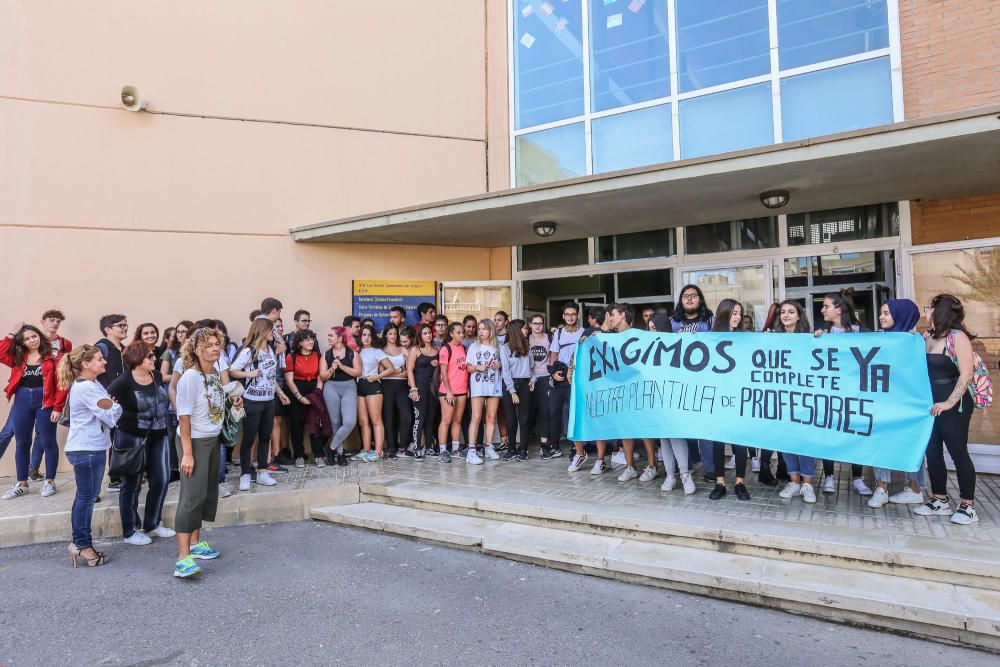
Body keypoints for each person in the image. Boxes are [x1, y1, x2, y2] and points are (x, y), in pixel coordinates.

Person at [173, 327, 237, 578]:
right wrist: (187, 453)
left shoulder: (212, 375)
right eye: (209, 345)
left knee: (206, 494)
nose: (215, 348)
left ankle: (196, 544)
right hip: (195, 442)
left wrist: (235, 401)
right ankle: (182, 558)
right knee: (191, 497)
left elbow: (215, 404)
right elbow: (184, 416)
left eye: (217, 344)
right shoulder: (190, 376)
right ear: (197, 349)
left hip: (212, 440)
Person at [914, 295, 979, 525]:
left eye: (929, 308)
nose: (927, 312)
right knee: (932, 452)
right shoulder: (927, 336)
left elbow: (966, 373)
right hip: (931, 403)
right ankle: (939, 499)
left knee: (958, 452)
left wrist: (949, 403)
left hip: (954, 403)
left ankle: (968, 505)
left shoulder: (958, 337)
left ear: (938, 311)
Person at [59, 345, 121, 567]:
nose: (104, 362)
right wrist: (114, 406)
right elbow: (111, 413)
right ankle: (82, 546)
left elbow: (109, 411)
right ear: (85, 364)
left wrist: (112, 407)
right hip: (86, 449)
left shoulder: (91, 385)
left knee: (85, 497)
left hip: (88, 447)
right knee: (86, 498)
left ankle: (80, 543)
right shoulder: (87, 388)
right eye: (99, 359)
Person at [107, 342, 174, 545]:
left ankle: (152, 524)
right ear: (137, 359)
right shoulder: (122, 383)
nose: (154, 359)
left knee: (161, 479)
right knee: (132, 483)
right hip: (132, 437)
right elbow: (108, 407)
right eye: (150, 356)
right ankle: (130, 530)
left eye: (153, 356)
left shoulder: (157, 376)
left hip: (159, 434)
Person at [868, 300, 927, 509]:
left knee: (911, 444)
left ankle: (915, 489)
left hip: (907, 406)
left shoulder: (915, 342)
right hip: (881, 403)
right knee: (880, 443)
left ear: (901, 315)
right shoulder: (875, 339)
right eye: (881, 313)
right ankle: (881, 488)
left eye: (886, 313)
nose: (881, 317)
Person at [816, 289, 872, 496]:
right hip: (830, 393)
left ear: (838, 309)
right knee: (828, 434)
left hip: (856, 394)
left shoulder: (863, 332)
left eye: (826, 306)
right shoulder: (823, 334)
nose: (822, 310)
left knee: (856, 435)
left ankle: (858, 478)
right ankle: (829, 476)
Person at [1, 324, 66, 500]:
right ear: (22, 342)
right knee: (21, 443)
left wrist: (58, 407)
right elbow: (0, 352)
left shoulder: (53, 357)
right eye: (27, 338)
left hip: (45, 402)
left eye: (34, 336)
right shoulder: (17, 357)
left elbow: (62, 383)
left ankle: (50, 481)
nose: (32, 340)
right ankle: (22, 484)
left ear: (40, 336)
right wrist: (11, 333)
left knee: (48, 441)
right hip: (21, 401)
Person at [768, 300, 817, 504]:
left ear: (799, 316)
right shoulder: (774, 338)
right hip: (782, 397)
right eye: (783, 312)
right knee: (786, 439)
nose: (786, 315)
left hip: (804, 398)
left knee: (805, 441)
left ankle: (807, 484)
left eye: (791, 312)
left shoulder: (811, 338)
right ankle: (794, 481)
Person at [228, 318, 284, 489]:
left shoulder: (271, 350)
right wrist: (249, 374)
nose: (273, 333)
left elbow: (270, 376)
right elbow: (232, 371)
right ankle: (245, 474)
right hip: (252, 400)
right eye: (270, 330)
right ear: (262, 331)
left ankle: (262, 471)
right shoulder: (249, 351)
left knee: (265, 437)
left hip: (268, 400)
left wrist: (280, 393)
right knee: (249, 439)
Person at [670, 285, 715, 480]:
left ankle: (711, 468)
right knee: (683, 426)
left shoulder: (710, 320)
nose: (689, 299)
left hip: (705, 381)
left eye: (693, 296)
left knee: (705, 428)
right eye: (685, 296)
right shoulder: (673, 323)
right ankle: (686, 466)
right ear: (681, 300)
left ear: (700, 299)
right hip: (680, 382)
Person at [708, 299, 752, 501]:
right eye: (733, 313)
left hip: (739, 397)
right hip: (717, 397)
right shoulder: (710, 339)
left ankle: (740, 483)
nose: (737, 317)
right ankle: (720, 483)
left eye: (739, 313)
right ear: (724, 314)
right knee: (718, 443)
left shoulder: (745, 339)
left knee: (740, 443)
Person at [648, 314, 696, 494]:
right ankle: (670, 476)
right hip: (656, 397)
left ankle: (685, 475)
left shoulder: (676, 342)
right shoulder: (647, 345)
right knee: (663, 438)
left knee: (675, 436)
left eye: (654, 327)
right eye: (649, 327)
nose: (651, 330)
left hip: (674, 396)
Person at [545, 302, 583, 460]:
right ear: (563, 316)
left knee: (574, 413)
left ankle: (576, 448)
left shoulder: (583, 332)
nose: (570, 317)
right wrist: (553, 373)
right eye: (567, 314)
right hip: (559, 378)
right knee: (554, 412)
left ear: (578, 315)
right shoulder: (559, 333)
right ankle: (555, 446)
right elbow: (554, 354)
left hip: (575, 377)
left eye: (573, 314)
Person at [283, 328, 326, 468]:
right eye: (307, 339)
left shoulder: (318, 356)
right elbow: (289, 380)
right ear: (300, 342)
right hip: (297, 390)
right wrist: (299, 397)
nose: (311, 342)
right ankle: (299, 456)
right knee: (296, 424)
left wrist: (318, 392)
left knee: (315, 423)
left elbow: (320, 376)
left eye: (312, 339)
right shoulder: (291, 357)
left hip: (314, 389)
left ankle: (318, 455)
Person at [319, 325, 361, 466]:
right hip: (331, 387)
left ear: (340, 337)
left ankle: (330, 448)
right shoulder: (326, 355)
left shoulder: (352, 353)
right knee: (335, 423)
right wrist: (333, 368)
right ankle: (340, 453)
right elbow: (323, 376)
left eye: (331, 335)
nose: (328, 338)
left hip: (349, 387)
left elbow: (358, 372)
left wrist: (342, 366)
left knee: (349, 422)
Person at [96, 313, 128, 494]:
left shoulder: (123, 349)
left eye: (125, 325)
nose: (124, 328)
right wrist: (108, 395)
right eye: (120, 325)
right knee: (110, 441)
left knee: (120, 440)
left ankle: (120, 476)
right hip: (109, 404)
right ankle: (114, 480)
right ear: (108, 329)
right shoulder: (102, 348)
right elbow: (95, 373)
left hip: (122, 404)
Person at [465, 318, 503, 465]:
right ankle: (471, 451)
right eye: (479, 329)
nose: (481, 331)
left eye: (484, 329)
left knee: (491, 417)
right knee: (476, 417)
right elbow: (468, 367)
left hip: (494, 383)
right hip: (478, 384)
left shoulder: (497, 346)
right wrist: (477, 368)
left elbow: (502, 363)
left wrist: (499, 364)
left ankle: (489, 447)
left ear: (490, 330)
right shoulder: (474, 347)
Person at [354, 325, 391, 462]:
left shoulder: (377, 351)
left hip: (372, 385)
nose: (366, 337)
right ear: (360, 336)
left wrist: (376, 377)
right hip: (359, 385)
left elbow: (390, 368)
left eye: (369, 335)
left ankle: (379, 452)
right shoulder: (356, 351)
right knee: (363, 422)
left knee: (376, 420)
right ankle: (366, 450)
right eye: (364, 334)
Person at [499, 319, 532, 462]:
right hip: (509, 385)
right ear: (517, 331)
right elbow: (505, 372)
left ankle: (523, 449)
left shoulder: (527, 347)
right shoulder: (505, 348)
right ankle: (511, 449)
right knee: (511, 419)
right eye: (524, 329)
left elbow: (532, 368)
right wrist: (512, 391)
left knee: (524, 419)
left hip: (524, 383)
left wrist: (533, 380)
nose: (527, 331)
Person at [407, 323, 440, 460]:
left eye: (429, 333)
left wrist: (437, 365)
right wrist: (413, 389)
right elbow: (409, 370)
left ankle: (429, 447)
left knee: (431, 418)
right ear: (420, 335)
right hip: (419, 386)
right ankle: (416, 447)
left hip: (433, 387)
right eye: (425, 333)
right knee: (419, 418)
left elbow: (443, 368)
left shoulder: (437, 348)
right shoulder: (415, 349)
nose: (428, 335)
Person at [437, 322, 468, 462]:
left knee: (457, 420)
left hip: (461, 390)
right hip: (447, 391)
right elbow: (443, 372)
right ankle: (442, 451)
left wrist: (467, 388)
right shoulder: (446, 349)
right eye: (458, 332)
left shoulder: (464, 348)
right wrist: (449, 391)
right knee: (446, 420)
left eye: (462, 332)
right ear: (451, 334)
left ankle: (455, 449)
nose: (461, 335)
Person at [380, 324, 412, 460]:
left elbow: (408, 370)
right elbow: (382, 373)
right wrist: (399, 370)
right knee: (389, 418)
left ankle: (402, 447)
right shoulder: (380, 351)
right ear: (386, 335)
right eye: (390, 334)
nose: (393, 336)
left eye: (395, 333)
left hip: (402, 386)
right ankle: (392, 448)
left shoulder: (403, 349)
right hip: (386, 386)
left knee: (407, 416)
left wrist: (394, 372)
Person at [526, 314, 552, 455]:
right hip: (529, 378)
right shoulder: (526, 339)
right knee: (528, 413)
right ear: (530, 324)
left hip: (545, 378)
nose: (537, 326)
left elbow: (554, 356)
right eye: (535, 323)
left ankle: (544, 445)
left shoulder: (549, 338)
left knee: (544, 412)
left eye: (540, 323)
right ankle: (524, 445)